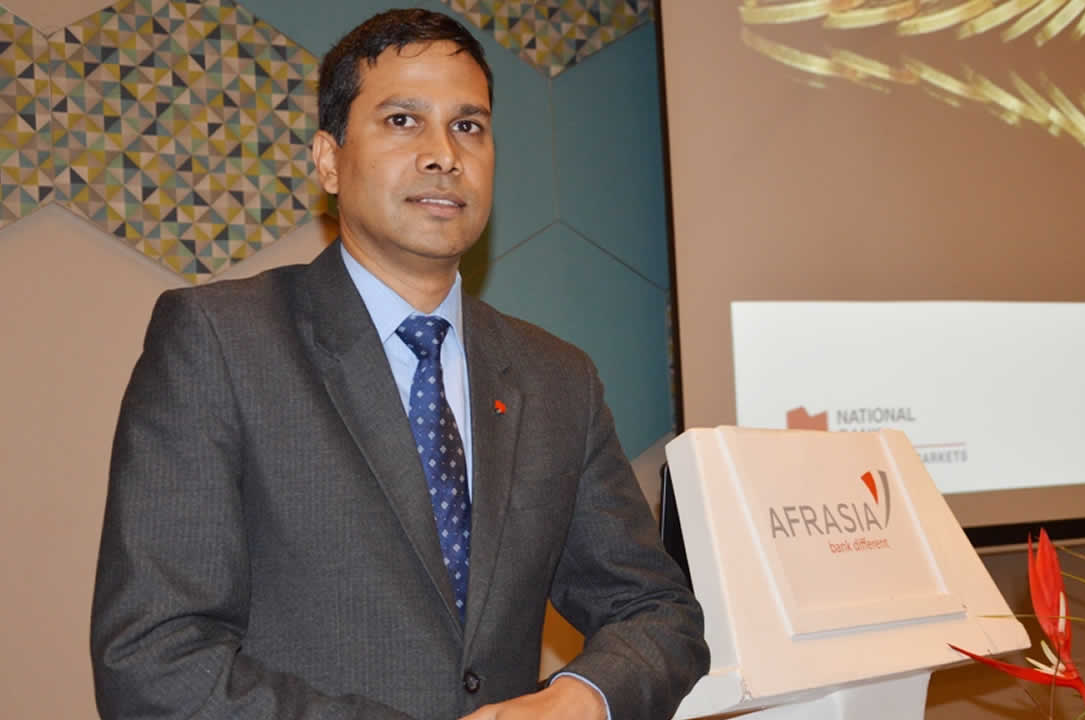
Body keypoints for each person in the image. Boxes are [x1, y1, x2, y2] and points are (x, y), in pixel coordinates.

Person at [90, 8, 709, 720]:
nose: (444, 154)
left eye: (468, 126)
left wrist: (580, 698)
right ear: (328, 160)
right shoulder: (220, 342)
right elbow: (153, 660)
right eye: (403, 121)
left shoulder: (556, 377)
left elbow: (657, 611)